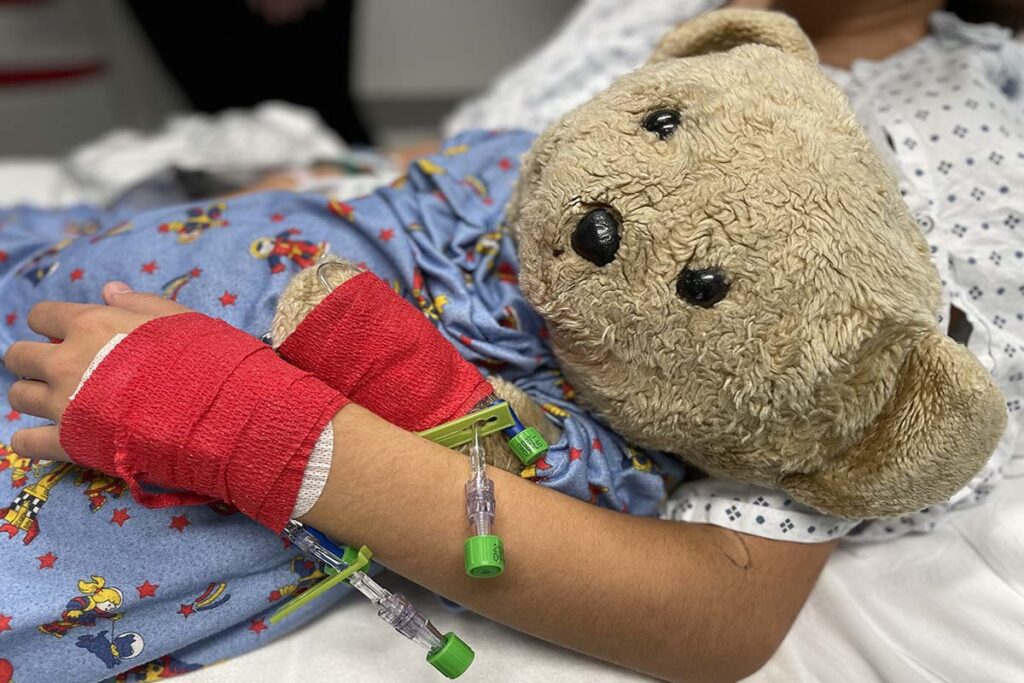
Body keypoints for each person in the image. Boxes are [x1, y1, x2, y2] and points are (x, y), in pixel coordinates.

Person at [3, 2, 1021, 681]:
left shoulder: (959, 150)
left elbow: (724, 600)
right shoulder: (651, 18)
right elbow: (504, 158)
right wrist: (325, 191)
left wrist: (257, 427)